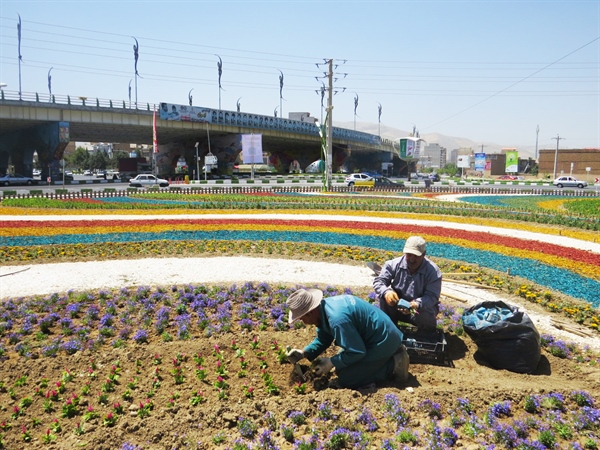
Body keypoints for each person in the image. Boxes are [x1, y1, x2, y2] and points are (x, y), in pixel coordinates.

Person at [285, 288, 409, 389]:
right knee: (340, 367)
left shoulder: (337, 319)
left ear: (310, 312)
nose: (303, 322)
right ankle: (381, 361)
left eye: (302, 318)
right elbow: (323, 339)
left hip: (383, 340)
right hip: (369, 338)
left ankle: (394, 363)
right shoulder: (323, 309)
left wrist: (331, 362)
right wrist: (304, 352)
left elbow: (356, 352)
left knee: (347, 379)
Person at [373, 236, 442, 332]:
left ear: (424, 254)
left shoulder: (433, 271)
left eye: (416, 256)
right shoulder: (393, 264)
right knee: (383, 298)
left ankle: (426, 336)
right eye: (409, 255)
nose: (412, 259)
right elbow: (379, 281)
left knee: (426, 312)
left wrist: (416, 304)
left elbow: (432, 296)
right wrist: (386, 292)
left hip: (418, 311)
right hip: (397, 305)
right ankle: (390, 330)